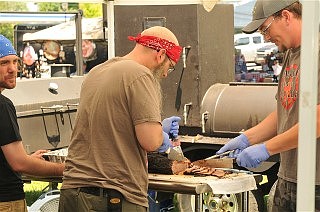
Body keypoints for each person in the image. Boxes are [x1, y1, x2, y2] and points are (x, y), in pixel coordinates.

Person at [58, 26, 182, 212]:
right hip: (111, 198)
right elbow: (150, 141)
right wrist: (160, 134)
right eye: (169, 67)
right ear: (161, 55)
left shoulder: (97, 72)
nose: (165, 74)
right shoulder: (141, 74)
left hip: (73, 193)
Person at [216, 0, 320, 211]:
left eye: (265, 28)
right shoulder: (291, 54)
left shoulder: (315, 51)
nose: (266, 37)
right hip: (289, 177)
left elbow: (317, 120)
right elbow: (284, 110)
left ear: (286, 16)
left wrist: (267, 148)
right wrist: (247, 138)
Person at [0, 34, 65, 212]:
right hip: (6, 201)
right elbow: (19, 164)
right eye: (3, 63)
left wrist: (28, 159)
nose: (13, 69)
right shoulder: (2, 106)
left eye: (15, 62)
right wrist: (64, 168)